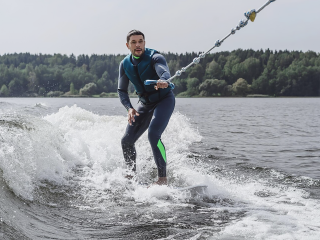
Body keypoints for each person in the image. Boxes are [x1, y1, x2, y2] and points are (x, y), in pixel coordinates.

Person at [117, 29, 175, 185]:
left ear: (144, 42)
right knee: (126, 141)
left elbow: (164, 72)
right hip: (144, 104)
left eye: (141, 41)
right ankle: (131, 176)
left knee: (153, 135)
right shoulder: (125, 64)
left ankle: (162, 179)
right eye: (134, 42)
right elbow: (122, 90)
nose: (138, 45)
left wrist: (163, 80)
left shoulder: (155, 57)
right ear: (127, 45)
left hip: (164, 100)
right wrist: (129, 108)